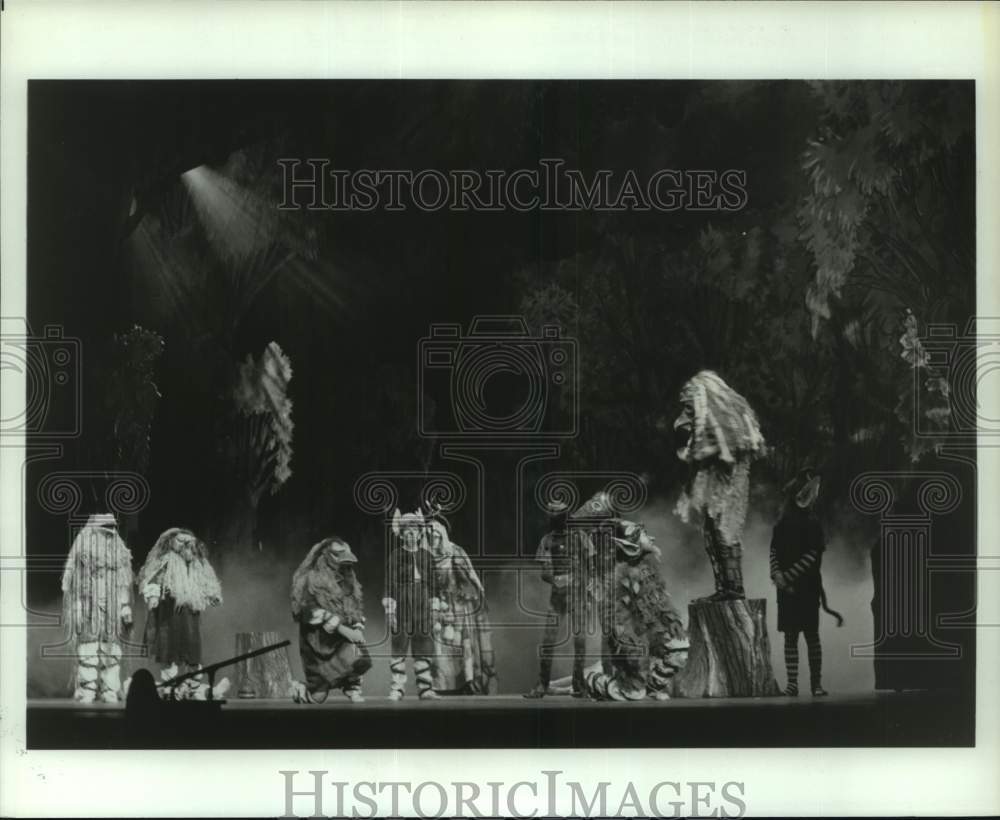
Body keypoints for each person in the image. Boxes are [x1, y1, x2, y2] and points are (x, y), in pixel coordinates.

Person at [673, 370, 766, 601]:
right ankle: (726, 586)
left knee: (724, 531)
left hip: (725, 491)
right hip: (715, 488)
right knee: (713, 533)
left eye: (689, 405)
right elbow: (685, 428)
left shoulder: (727, 434)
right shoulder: (711, 432)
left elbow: (728, 456)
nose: (687, 411)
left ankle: (733, 587)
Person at [582, 519, 689, 700]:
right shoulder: (612, 576)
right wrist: (630, 643)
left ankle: (649, 686)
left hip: (649, 630)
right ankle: (592, 679)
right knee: (633, 692)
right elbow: (615, 617)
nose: (651, 538)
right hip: (629, 634)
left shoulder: (646, 568)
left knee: (679, 646)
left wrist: (672, 620)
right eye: (641, 534)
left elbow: (659, 598)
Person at [138, 527, 225, 698]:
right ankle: (170, 684)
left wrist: (213, 594)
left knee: (191, 644)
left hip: (190, 611)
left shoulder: (197, 563)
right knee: (171, 645)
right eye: (182, 542)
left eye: (189, 543)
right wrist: (153, 595)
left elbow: (206, 579)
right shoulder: (166, 560)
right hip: (170, 611)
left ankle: (191, 683)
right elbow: (153, 577)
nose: (187, 546)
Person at [61, 513, 134, 703]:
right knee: (88, 648)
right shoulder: (82, 554)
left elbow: (123, 582)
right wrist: (77, 606)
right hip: (88, 607)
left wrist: (124, 606)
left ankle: (109, 689)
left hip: (111, 608)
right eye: (104, 532)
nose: (108, 536)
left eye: (110, 532)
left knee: (111, 649)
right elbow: (71, 582)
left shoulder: (118, 557)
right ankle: (88, 689)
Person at [523, 500, 593, 699]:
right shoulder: (547, 540)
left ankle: (579, 684)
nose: (556, 521)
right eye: (553, 517)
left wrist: (586, 586)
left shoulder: (580, 537)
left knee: (579, 640)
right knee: (548, 640)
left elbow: (591, 565)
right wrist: (557, 579)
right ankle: (542, 684)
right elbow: (544, 572)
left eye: (559, 517)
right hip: (558, 596)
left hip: (578, 595)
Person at [769, 467, 829, 696]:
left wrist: (786, 577)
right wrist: (778, 576)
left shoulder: (813, 525)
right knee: (791, 636)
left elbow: (812, 556)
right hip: (787, 590)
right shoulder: (781, 525)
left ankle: (816, 684)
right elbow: (773, 552)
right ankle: (792, 683)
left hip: (806, 588)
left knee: (811, 635)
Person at [290, 536, 372, 703]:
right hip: (318, 640)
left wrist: (355, 627)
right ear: (326, 555)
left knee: (360, 658)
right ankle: (302, 689)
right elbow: (308, 611)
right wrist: (343, 629)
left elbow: (353, 605)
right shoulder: (312, 578)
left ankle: (351, 684)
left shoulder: (348, 575)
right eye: (336, 554)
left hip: (341, 637)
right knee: (318, 697)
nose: (341, 559)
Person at [426, 514, 497, 694]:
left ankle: (468, 682)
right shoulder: (423, 555)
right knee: (438, 647)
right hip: (436, 605)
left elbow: (470, 573)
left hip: (457, 603)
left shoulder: (454, 551)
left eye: (435, 534)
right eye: (428, 534)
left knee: (463, 644)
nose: (432, 537)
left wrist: (480, 592)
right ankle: (440, 686)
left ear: (442, 534)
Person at [383, 508, 440, 700]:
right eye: (406, 530)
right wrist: (391, 611)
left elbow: (434, 585)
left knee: (423, 643)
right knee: (399, 643)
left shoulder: (427, 556)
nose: (410, 533)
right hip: (402, 600)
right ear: (401, 534)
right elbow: (389, 583)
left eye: (414, 529)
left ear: (419, 533)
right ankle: (397, 688)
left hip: (422, 601)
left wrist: (434, 608)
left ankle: (425, 688)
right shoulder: (395, 556)